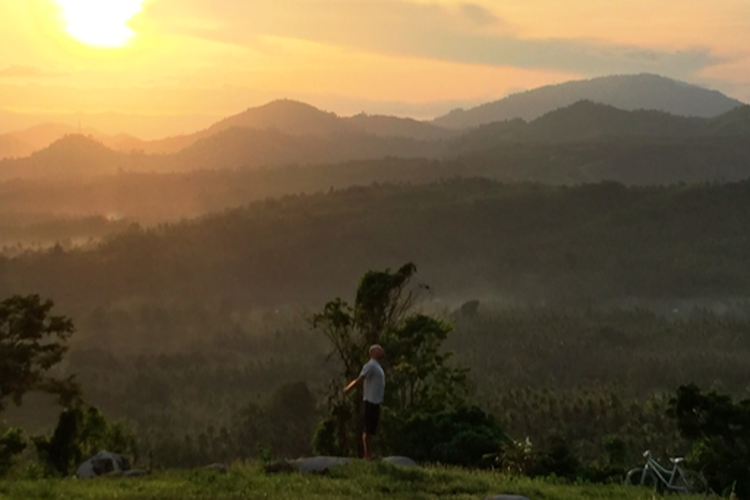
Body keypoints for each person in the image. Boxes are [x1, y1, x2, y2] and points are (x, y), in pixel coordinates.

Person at [343, 344, 385, 459]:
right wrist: (348, 389)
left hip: (375, 401)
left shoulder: (376, 366)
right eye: (378, 350)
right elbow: (359, 379)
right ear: (372, 353)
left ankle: (369, 453)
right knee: (367, 428)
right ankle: (367, 454)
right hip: (370, 400)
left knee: (371, 429)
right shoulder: (370, 365)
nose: (381, 351)